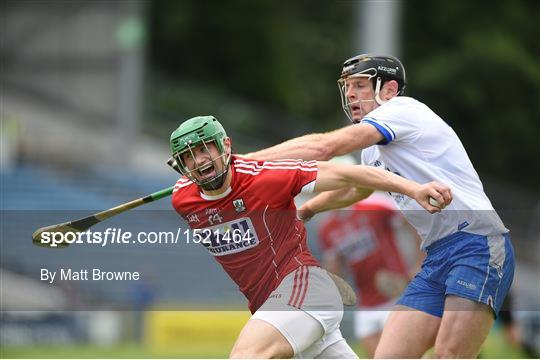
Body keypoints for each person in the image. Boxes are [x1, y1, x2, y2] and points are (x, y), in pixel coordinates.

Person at [245, 54, 515, 358]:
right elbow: (355, 189)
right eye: (347, 87)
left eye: (360, 85)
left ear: (388, 90)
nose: (350, 94)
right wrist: (305, 211)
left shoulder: (402, 110)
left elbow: (323, 147)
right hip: (437, 256)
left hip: (477, 245)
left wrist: (243, 164)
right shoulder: (372, 152)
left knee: (449, 354)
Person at [168, 115, 451, 359]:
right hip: (271, 304)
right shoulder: (182, 199)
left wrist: (413, 189)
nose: (200, 159)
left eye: (206, 148)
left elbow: (350, 176)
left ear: (226, 146)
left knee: (246, 355)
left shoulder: (267, 178)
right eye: (189, 155)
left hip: (304, 289)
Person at [318, 191, 424, 357]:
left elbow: (415, 221)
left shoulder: (374, 204)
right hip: (366, 303)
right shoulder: (326, 229)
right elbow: (337, 271)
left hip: (395, 295)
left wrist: (419, 263)